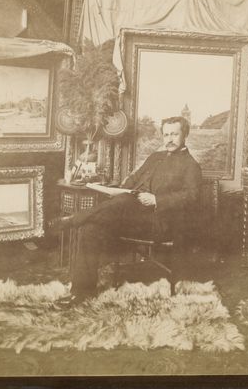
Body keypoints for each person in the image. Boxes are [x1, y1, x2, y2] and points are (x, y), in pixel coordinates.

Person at [64, 116, 202, 302]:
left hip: (159, 222)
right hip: (132, 215)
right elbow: (134, 178)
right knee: (91, 227)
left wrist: (156, 199)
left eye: (174, 134)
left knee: (123, 203)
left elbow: (192, 196)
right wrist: (123, 188)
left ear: (185, 134)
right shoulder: (155, 157)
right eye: (166, 134)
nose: (169, 139)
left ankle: (74, 218)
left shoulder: (191, 165)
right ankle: (82, 292)